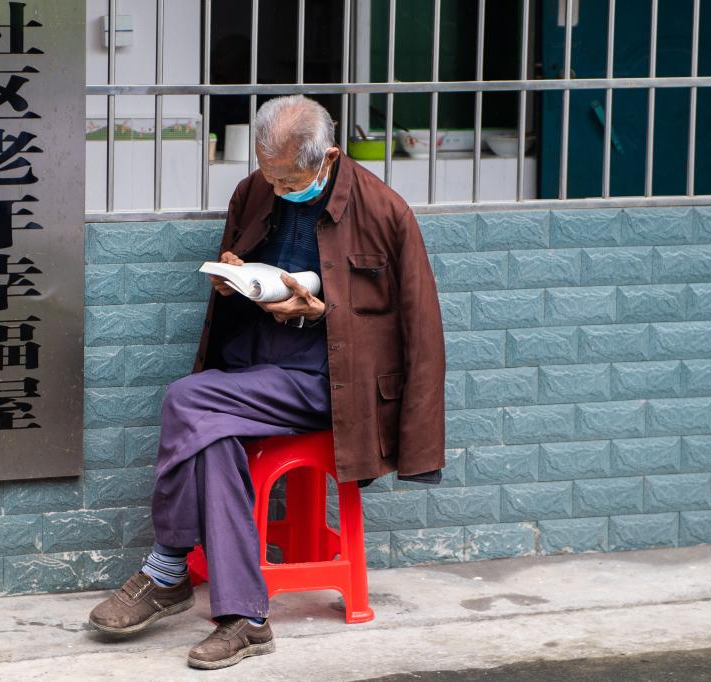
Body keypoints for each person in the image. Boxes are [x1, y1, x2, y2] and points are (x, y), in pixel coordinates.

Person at [88, 95, 445, 670]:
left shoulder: (384, 210)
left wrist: (319, 312)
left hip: (327, 382)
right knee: (213, 438)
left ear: (328, 157)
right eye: (269, 175)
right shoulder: (254, 191)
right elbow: (241, 267)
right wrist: (233, 280)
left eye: (289, 179)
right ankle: (246, 619)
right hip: (253, 370)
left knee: (187, 398)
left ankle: (167, 567)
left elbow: (419, 327)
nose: (277, 189)